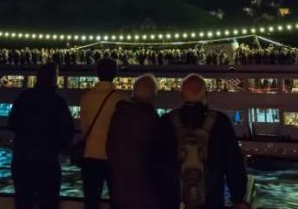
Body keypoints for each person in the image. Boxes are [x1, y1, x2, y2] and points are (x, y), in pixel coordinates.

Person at [160, 74, 250, 209]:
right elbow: (234, 164)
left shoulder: (166, 122)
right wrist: (238, 198)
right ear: (205, 95)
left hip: (175, 201)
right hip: (211, 201)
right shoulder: (221, 122)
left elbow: (157, 164)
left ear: (181, 94)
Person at [9, 63, 74, 209]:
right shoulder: (58, 103)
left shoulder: (23, 98)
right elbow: (67, 131)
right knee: (48, 202)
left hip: (22, 159)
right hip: (47, 161)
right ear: (54, 80)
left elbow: (12, 123)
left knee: (23, 201)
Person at [106, 74, 163, 209]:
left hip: (119, 187)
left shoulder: (119, 114)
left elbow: (110, 147)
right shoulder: (151, 119)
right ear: (153, 95)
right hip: (144, 190)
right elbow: (158, 156)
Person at [78, 57, 126, 209]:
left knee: (91, 200)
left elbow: (84, 129)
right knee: (117, 199)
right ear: (115, 74)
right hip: (114, 157)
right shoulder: (121, 99)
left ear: (97, 73)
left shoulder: (86, 98)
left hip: (90, 156)